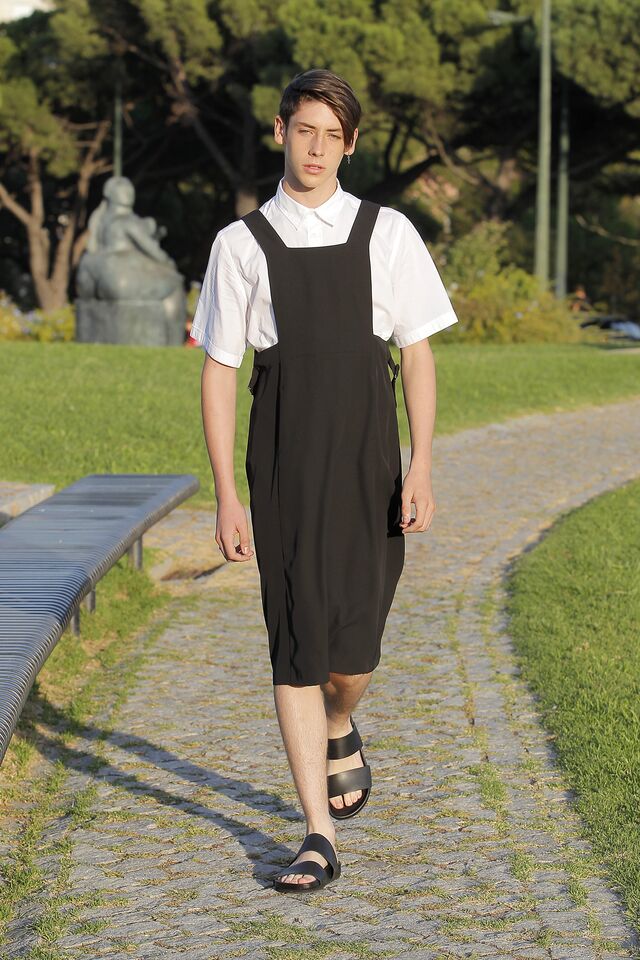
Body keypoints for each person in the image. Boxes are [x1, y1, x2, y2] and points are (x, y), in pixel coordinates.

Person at [192, 69, 458, 893]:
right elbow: (219, 370)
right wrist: (227, 494)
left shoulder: (389, 233)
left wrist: (421, 462)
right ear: (280, 131)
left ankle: (342, 717)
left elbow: (417, 353)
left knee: (354, 652)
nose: (315, 148)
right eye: (303, 130)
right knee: (297, 642)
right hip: (283, 466)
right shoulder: (240, 245)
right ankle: (315, 832)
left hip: (371, 463)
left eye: (331, 136)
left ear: (350, 145)